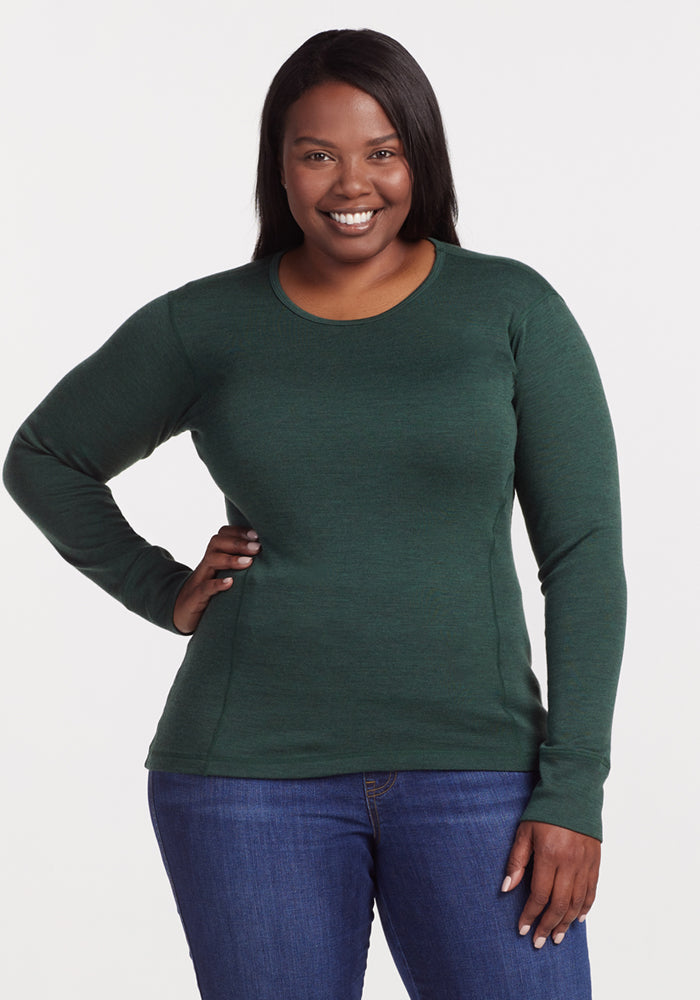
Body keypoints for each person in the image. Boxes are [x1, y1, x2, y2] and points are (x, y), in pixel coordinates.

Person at [3, 27, 626, 1000]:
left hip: (481, 778)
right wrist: (162, 589)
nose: (353, 182)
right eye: (317, 152)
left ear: (418, 154)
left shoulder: (510, 310)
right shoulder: (207, 324)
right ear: (280, 168)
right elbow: (44, 456)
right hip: (245, 779)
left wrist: (573, 790)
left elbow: (582, 555)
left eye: (381, 151)